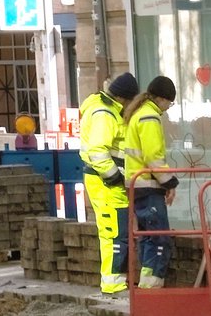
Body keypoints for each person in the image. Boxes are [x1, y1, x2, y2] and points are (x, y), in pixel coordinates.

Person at [79, 72, 139, 295]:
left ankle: (115, 280)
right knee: (114, 232)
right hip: (106, 183)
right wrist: (115, 177)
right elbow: (97, 150)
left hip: (102, 181)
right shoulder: (105, 114)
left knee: (115, 231)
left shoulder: (103, 107)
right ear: (125, 98)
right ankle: (113, 283)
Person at [124, 76, 180, 289]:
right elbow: (153, 156)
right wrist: (169, 183)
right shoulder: (149, 117)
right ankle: (153, 289)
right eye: (169, 102)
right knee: (159, 239)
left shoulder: (138, 113)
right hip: (148, 186)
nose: (168, 108)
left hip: (137, 187)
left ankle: (146, 286)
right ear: (162, 99)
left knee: (147, 238)